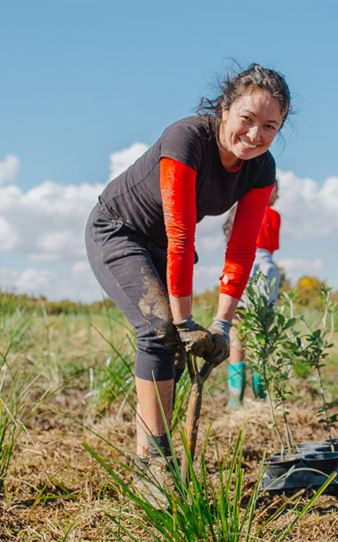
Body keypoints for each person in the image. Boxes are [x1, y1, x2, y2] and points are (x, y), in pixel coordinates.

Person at [84, 64, 290, 461]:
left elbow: (242, 250)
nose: (255, 134)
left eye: (270, 126)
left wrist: (222, 326)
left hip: (162, 242)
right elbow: (181, 235)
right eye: (247, 119)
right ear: (224, 109)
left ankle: (149, 449)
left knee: (172, 353)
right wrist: (184, 323)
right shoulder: (187, 139)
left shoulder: (261, 169)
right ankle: (156, 462)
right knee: (161, 330)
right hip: (118, 230)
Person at [224, 183, 283, 409]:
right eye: (277, 189)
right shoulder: (273, 215)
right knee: (261, 334)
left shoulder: (237, 213)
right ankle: (260, 395)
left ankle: (235, 398)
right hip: (263, 268)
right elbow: (271, 247)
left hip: (238, 264)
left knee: (237, 334)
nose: (279, 195)